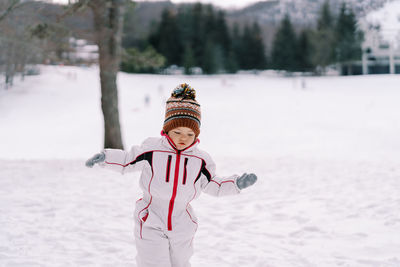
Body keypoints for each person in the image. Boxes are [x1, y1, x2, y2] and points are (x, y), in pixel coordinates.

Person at [85, 83, 257, 267]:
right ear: (166, 130)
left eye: (190, 133)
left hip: (182, 223)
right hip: (150, 217)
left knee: (180, 263)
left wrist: (236, 183)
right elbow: (128, 160)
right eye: (177, 132)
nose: (183, 138)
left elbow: (213, 184)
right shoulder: (152, 149)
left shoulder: (201, 160)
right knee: (153, 262)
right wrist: (105, 157)